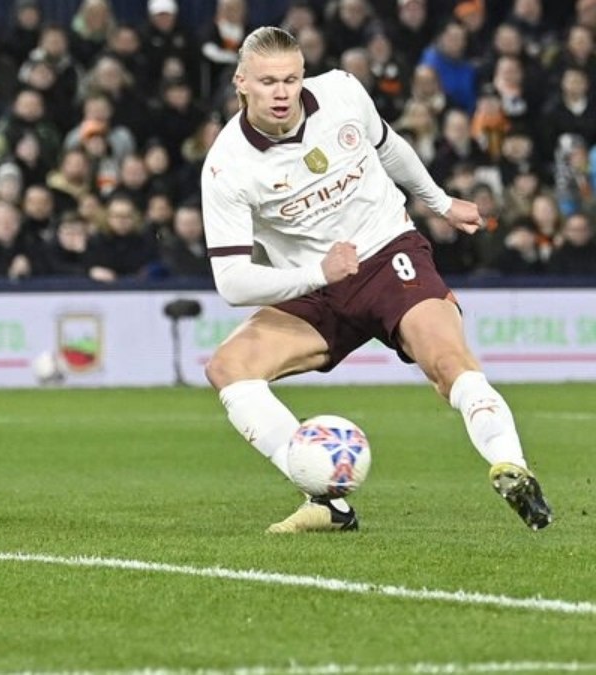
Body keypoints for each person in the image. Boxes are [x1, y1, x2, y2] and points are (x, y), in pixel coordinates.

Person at [200, 27, 553, 535]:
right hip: (316, 285)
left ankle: (512, 466)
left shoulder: (342, 91)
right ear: (242, 83)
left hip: (389, 255)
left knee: (448, 362)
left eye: (291, 79)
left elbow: (389, 148)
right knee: (229, 368)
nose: (282, 93)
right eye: (268, 82)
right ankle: (327, 502)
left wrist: (439, 202)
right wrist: (315, 274)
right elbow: (231, 281)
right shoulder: (227, 167)